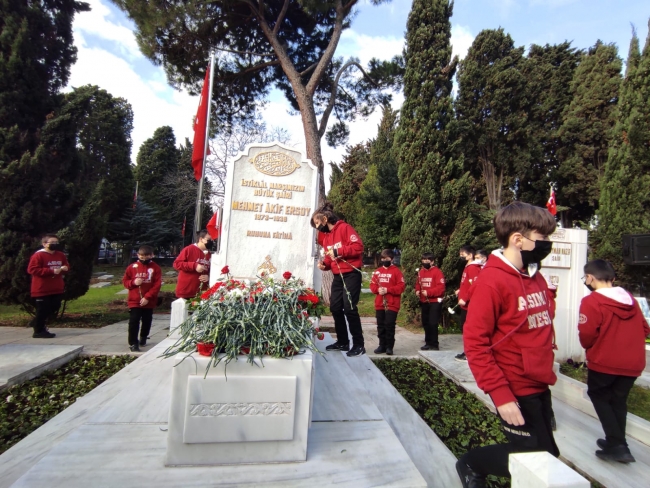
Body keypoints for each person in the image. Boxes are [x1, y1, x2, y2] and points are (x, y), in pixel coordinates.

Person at [456, 202, 559, 488]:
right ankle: (471, 464)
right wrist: (501, 394)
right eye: (542, 239)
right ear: (518, 239)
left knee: (548, 455)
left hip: (539, 382)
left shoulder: (533, 274)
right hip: (514, 384)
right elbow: (475, 343)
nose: (546, 245)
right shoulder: (492, 282)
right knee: (535, 457)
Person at [578, 259, 650, 463]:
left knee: (598, 395)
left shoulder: (592, 301)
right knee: (618, 401)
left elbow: (587, 334)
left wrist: (591, 347)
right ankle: (615, 441)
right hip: (633, 363)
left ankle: (618, 444)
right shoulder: (630, 299)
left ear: (590, 277)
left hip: (605, 361)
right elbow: (645, 329)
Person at [312, 203, 366, 357]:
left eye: (317, 223)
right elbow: (331, 258)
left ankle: (359, 344)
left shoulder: (344, 228)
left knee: (349, 308)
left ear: (325, 218)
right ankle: (343, 341)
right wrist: (325, 265)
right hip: (338, 275)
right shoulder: (327, 237)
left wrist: (339, 251)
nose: (317, 227)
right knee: (335, 307)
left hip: (351, 274)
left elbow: (358, 247)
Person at [27, 234, 69, 339]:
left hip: (56, 287)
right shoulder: (38, 255)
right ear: (44, 244)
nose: (55, 245)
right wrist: (51, 271)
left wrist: (65, 268)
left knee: (55, 306)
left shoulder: (60, 255)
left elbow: (66, 265)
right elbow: (32, 269)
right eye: (52, 242)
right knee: (43, 309)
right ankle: (39, 331)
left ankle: (37, 321)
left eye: (56, 243)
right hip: (42, 288)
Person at [122, 245, 162, 352]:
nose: (144, 259)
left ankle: (144, 336)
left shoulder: (155, 268)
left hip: (149, 300)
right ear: (138, 255)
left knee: (147, 320)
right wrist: (133, 282)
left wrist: (148, 297)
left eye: (147, 257)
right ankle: (133, 343)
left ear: (152, 255)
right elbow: (125, 282)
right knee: (134, 321)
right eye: (142, 257)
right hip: (135, 300)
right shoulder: (132, 267)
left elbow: (157, 285)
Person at [370, 249, 405, 355]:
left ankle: (389, 346)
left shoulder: (396, 271)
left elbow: (401, 287)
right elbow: (372, 285)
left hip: (392, 303)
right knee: (380, 325)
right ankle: (382, 345)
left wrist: (388, 290)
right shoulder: (377, 271)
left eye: (387, 259)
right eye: (383, 258)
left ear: (392, 259)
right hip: (380, 303)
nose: (385, 260)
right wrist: (377, 290)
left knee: (389, 325)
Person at [455, 245, 482, 362]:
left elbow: (475, 285)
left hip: (469, 304)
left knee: (468, 329)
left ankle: (469, 353)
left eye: (463, 254)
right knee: (464, 328)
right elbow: (467, 284)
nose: (461, 256)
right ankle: (467, 351)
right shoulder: (467, 267)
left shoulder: (473, 268)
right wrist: (461, 291)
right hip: (465, 304)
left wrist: (465, 298)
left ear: (470, 255)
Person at [415, 252, 445, 351]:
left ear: (432, 262)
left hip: (435, 301)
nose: (425, 262)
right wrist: (417, 291)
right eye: (423, 261)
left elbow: (441, 288)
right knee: (426, 323)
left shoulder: (437, 272)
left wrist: (429, 292)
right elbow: (418, 284)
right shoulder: (421, 272)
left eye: (427, 261)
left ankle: (434, 344)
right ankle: (427, 342)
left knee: (433, 323)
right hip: (424, 301)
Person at [174, 230, 213, 299]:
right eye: (209, 240)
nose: (211, 242)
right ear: (201, 239)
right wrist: (194, 266)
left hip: (202, 292)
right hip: (187, 291)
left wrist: (208, 277)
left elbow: (211, 270)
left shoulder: (209, 254)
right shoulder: (189, 249)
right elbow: (177, 264)